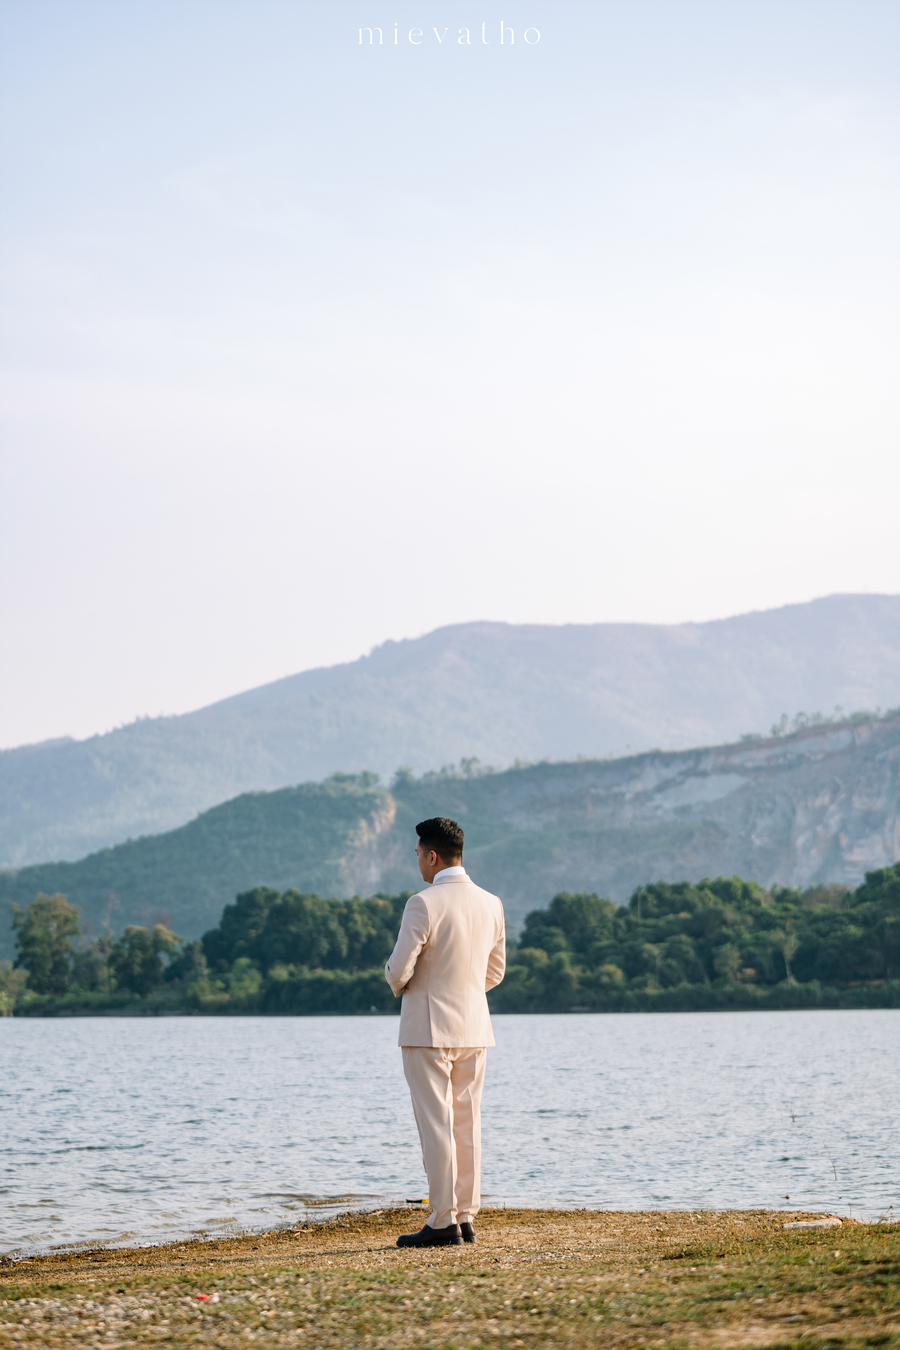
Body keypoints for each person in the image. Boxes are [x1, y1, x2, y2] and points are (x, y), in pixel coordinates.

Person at [385, 816, 506, 1248]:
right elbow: (495, 971)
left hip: (427, 1029)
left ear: (432, 856)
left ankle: (441, 1220)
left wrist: (399, 981)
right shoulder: (492, 903)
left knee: (436, 1125)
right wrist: (463, 991)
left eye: (419, 854)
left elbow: (399, 969)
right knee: (467, 1123)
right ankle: (466, 1216)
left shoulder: (422, 903)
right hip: (474, 1026)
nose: (418, 861)